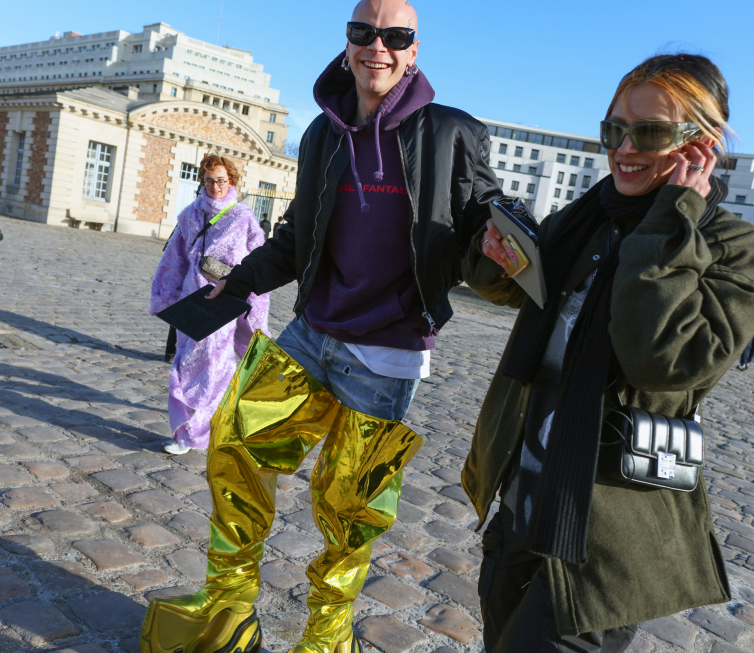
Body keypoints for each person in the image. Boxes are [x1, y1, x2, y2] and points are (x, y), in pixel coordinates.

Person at [139, 1, 501, 651]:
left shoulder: (451, 134)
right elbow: (296, 234)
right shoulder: (323, 133)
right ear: (348, 44)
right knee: (235, 446)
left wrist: (508, 256)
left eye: (396, 36)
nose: (378, 46)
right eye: (364, 32)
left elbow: (482, 233)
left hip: (387, 354)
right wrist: (241, 280)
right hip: (313, 332)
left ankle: (326, 637)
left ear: (414, 51)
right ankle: (228, 610)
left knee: (349, 511)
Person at [462, 54, 754, 653]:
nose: (623, 146)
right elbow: (526, 290)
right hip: (524, 504)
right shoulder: (591, 217)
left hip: (603, 542)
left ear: (701, 144)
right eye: (613, 128)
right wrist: (496, 258)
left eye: (647, 131)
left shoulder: (732, 248)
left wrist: (672, 219)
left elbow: (660, 358)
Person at [149, 152, 270, 455]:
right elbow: (174, 258)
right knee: (184, 360)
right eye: (209, 181)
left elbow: (260, 264)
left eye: (220, 180)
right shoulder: (191, 214)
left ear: (231, 181)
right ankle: (192, 424)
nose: (215, 186)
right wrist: (165, 296)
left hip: (224, 302)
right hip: (192, 298)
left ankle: (193, 435)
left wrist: (255, 306)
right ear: (201, 182)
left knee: (213, 364)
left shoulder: (243, 217)